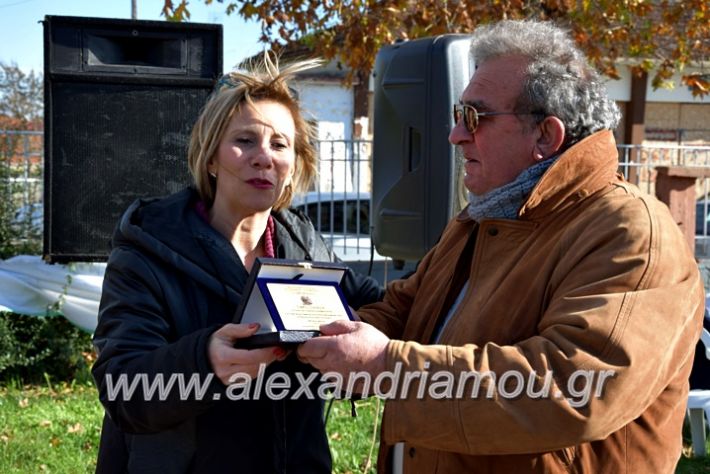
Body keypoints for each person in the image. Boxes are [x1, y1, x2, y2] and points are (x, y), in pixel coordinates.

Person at [298, 19, 705, 473]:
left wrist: (387, 365)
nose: (455, 135)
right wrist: (304, 332)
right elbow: (404, 312)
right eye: (457, 115)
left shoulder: (630, 230)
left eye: (475, 117)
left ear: (545, 137)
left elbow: (576, 386)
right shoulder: (481, 219)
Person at [91, 53, 383, 473]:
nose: (263, 157)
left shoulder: (305, 249)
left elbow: (384, 309)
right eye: (245, 140)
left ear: (294, 165)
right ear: (211, 157)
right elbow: (122, 388)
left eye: (279, 144)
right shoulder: (148, 249)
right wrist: (204, 360)